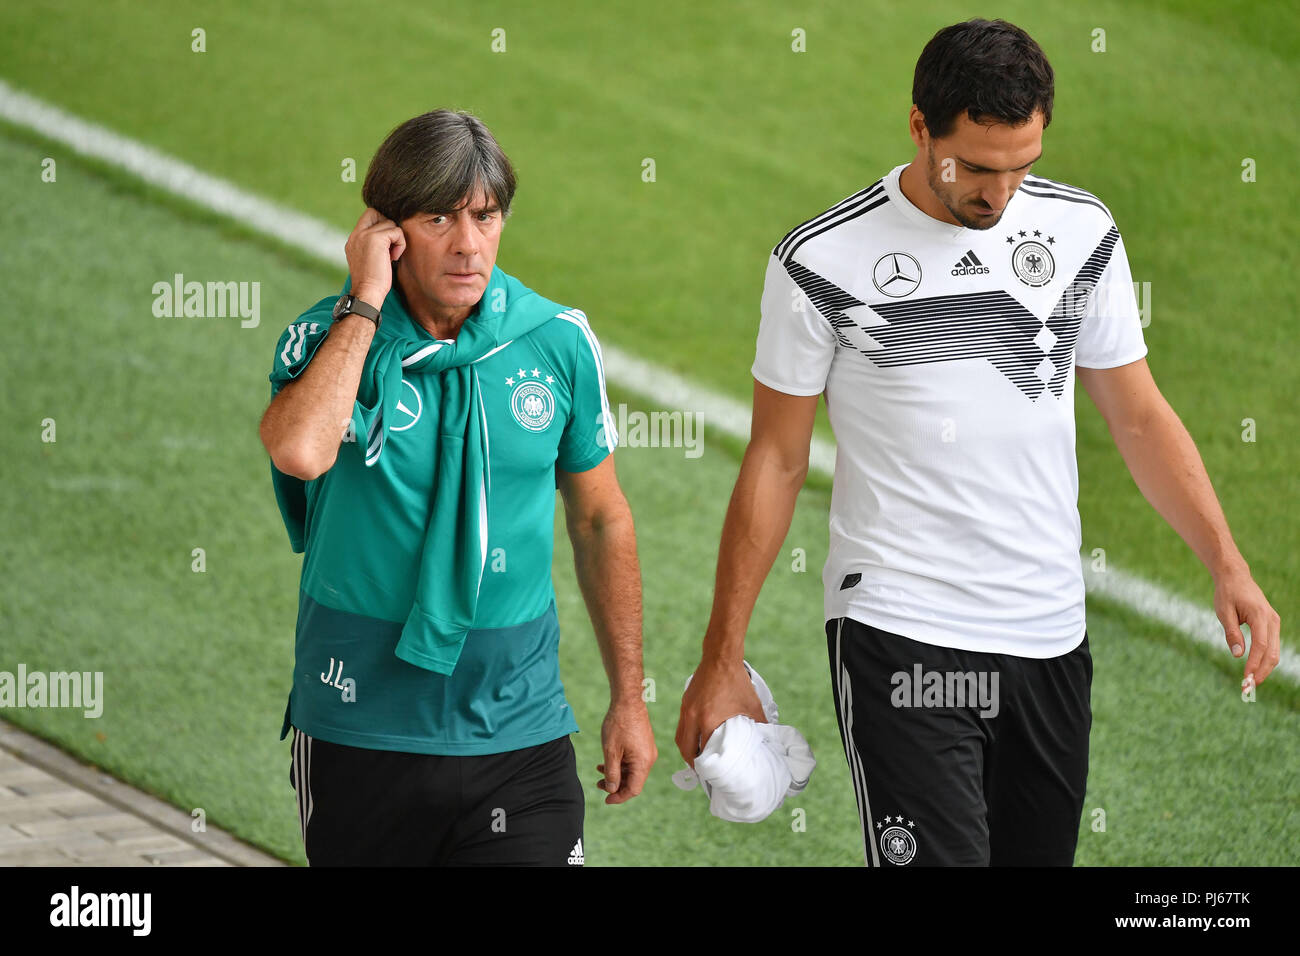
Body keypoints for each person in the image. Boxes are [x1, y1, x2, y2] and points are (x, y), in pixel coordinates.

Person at [675, 19, 1281, 866]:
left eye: (1021, 166)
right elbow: (776, 458)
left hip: (1048, 637)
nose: (1000, 195)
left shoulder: (1080, 234)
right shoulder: (820, 262)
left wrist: (1228, 564)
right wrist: (721, 654)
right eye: (979, 166)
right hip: (901, 629)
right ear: (920, 127)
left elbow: (1138, 416)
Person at [259, 109, 656, 866]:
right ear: (386, 228)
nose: (469, 245)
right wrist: (365, 302)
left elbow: (601, 520)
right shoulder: (332, 338)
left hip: (521, 730)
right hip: (360, 727)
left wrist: (628, 700)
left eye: (486, 216)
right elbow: (301, 452)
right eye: (439, 217)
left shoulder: (556, 341)